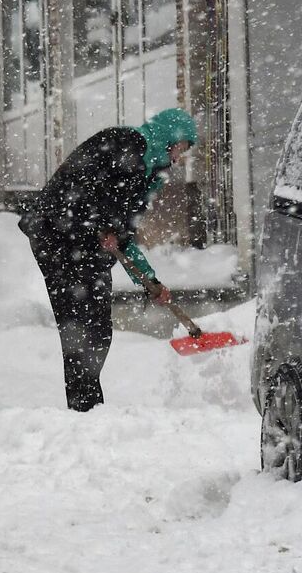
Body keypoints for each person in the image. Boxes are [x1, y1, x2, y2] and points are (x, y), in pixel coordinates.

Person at [19, 107, 198, 412]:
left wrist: (150, 281)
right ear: (169, 139)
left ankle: (88, 407)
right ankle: (84, 408)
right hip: (57, 235)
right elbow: (79, 183)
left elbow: (124, 237)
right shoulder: (124, 143)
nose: (178, 159)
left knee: (98, 327)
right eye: (179, 149)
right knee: (80, 323)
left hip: (84, 244)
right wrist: (99, 223)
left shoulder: (146, 177)